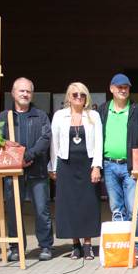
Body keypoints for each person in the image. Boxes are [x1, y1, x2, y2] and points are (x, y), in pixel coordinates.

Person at [0, 77, 54, 261]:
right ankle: (16, 247)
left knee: (42, 209)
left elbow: (45, 139)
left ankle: (45, 246)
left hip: (36, 169)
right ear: (13, 93)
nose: (25, 94)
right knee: (14, 209)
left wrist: (27, 156)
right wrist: (14, 157)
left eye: (28, 91)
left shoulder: (40, 115)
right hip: (12, 171)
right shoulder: (3, 117)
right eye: (21, 91)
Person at [49, 82, 103, 259]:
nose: (79, 97)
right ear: (68, 97)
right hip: (66, 165)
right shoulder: (59, 116)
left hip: (87, 165)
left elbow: (99, 142)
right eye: (75, 95)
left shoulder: (93, 115)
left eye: (82, 95)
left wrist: (96, 166)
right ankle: (75, 245)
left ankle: (88, 245)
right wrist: (54, 166)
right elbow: (54, 143)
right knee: (69, 205)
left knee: (88, 204)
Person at [100, 73, 138, 257]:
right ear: (111, 89)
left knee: (134, 207)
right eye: (119, 87)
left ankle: (137, 246)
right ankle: (122, 246)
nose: (123, 90)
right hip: (109, 165)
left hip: (130, 166)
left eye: (126, 87)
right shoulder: (103, 109)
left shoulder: (137, 109)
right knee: (116, 208)